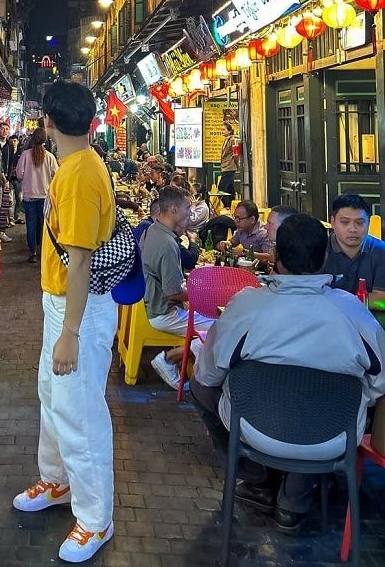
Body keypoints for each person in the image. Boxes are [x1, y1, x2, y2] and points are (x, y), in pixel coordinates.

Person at [191, 214, 385, 532]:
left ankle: (256, 480)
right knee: (322, 401)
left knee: (201, 385)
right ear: (324, 257)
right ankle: (294, 501)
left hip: (256, 430)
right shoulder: (352, 311)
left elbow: (208, 374)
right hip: (333, 437)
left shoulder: (246, 307)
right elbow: (379, 382)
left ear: (277, 258)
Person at [12, 82, 116, 563]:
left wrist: (70, 333)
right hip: (65, 306)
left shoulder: (78, 176)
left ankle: (96, 518)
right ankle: (56, 481)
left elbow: (80, 262)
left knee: (80, 413)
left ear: (48, 121)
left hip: (81, 311)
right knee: (53, 398)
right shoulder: (78, 166)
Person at [142, 186, 216, 390]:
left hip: (153, 304)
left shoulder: (153, 229)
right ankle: (169, 359)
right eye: (186, 207)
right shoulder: (166, 243)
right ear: (173, 209)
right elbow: (172, 291)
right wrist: (202, 296)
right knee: (221, 327)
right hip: (163, 312)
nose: (189, 212)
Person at [322, 193, 385, 302]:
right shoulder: (319, 250)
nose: (352, 229)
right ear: (333, 222)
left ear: (369, 223)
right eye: (345, 222)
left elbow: (381, 299)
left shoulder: (381, 251)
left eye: (360, 223)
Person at [16, 127, 58, 264]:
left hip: (29, 195)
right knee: (44, 225)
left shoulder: (25, 155)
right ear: (45, 140)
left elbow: (19, 174)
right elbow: (56, 175)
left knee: (31, 224)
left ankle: (33, 252)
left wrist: (28, 177)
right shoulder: (50, 156)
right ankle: (44, 251)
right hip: (45, 196)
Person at [218, 122, 238, 208]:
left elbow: (235, 154)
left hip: (230, 166)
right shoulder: (226, 140)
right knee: (230, 188)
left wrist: (236, 164)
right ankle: (231, 206)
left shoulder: (232, 140)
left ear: (229, 131)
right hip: (225, 166)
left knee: (221, 188)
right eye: (221, 129)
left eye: (224, 129)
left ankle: (227, 205)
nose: (222, 131)